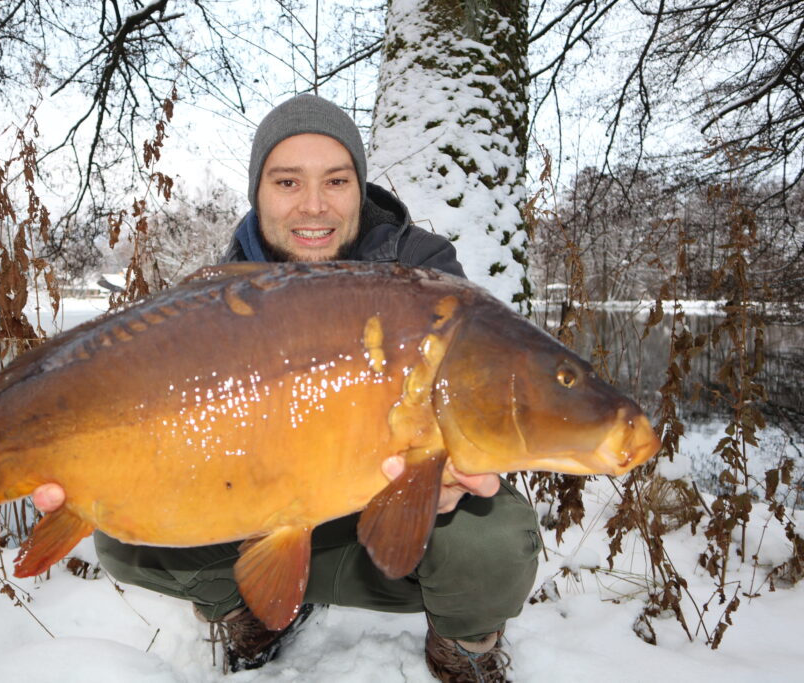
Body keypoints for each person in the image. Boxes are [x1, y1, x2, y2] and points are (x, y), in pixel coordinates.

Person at [31, 94, 540, 682]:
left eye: (337, 180)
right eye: (288, 182)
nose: (314, 205)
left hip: (393, 530)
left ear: (360, 188)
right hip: (269, 507)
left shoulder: (422, 278)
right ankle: (254, 613)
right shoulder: (222, 298)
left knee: (495, 537)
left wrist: (440, 482)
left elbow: (477, 394)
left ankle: (464, 643)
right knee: (123, 533)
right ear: (259, 193)